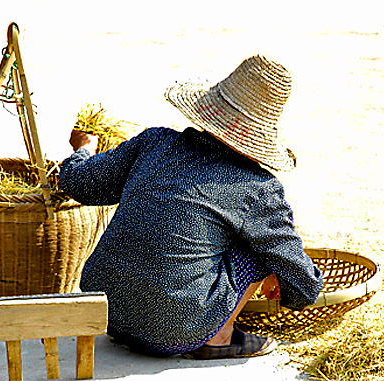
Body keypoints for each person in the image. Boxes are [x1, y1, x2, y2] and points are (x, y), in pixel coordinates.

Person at [59, 54, 323, 359]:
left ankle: (150, 317)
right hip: (173, 332)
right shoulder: (257, 188)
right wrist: (282, 278)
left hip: (104, 311)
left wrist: (84, 149)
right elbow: (305, 286)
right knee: (261, 247)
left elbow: (80, 182)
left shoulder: (155, 143)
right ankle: (220, 338)